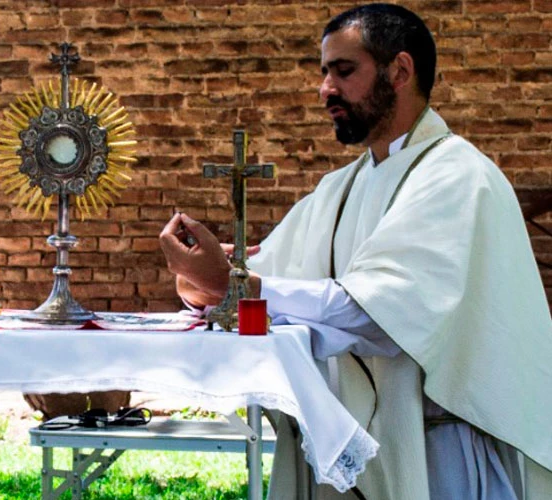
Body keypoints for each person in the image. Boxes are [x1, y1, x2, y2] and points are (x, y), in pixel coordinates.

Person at [159, 4, 552, 499]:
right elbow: (259, 279)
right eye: (324, 72)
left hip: (438, 452)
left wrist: (235, 284)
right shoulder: (339, 188)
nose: (326, 90)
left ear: (400, 71)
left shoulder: (457, 177)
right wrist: (199, 281)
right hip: (356, 452)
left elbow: (379, 317)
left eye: (344, 71)